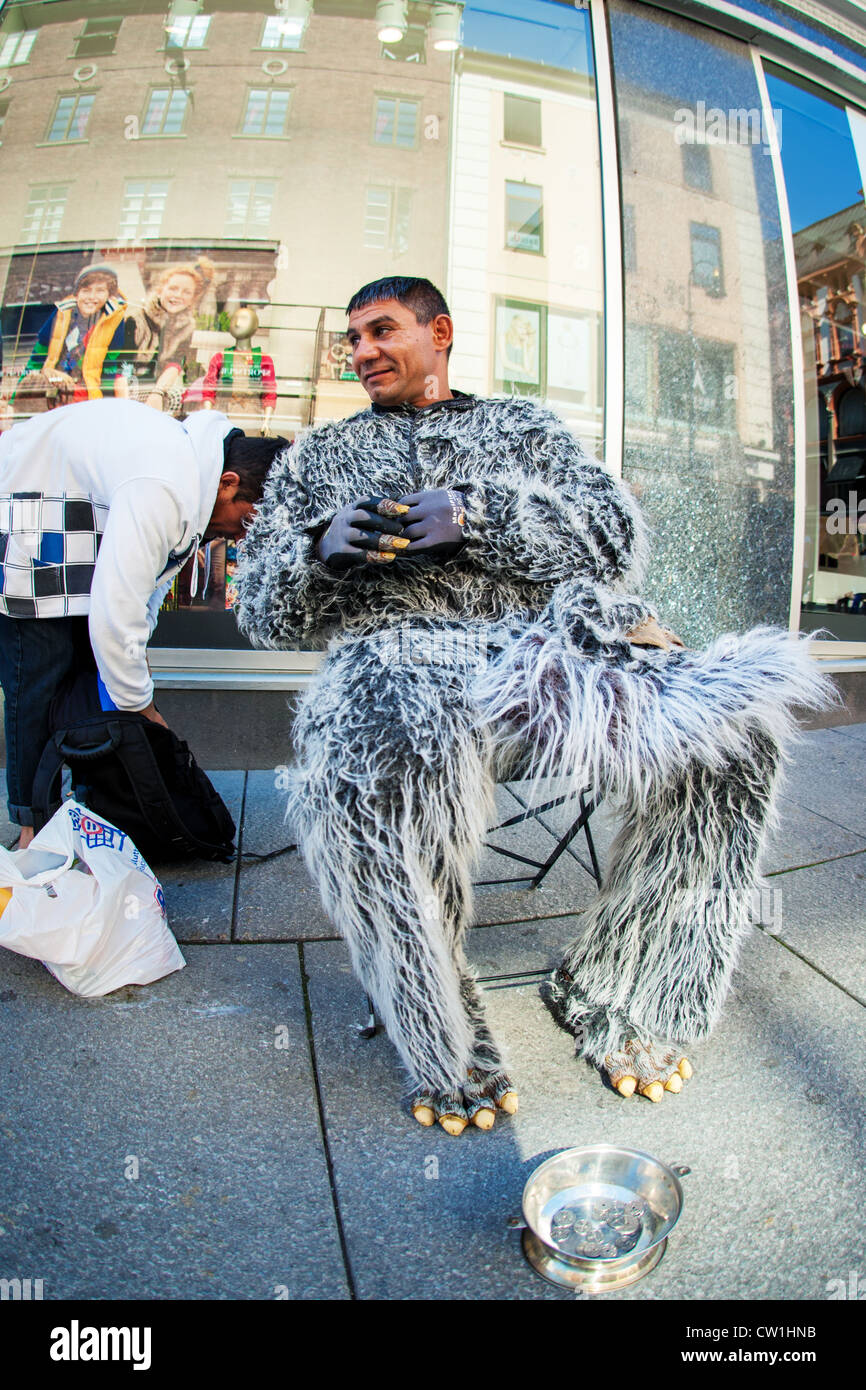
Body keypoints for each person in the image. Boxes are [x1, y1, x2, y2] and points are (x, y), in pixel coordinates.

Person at [235, 275, 832, 1137]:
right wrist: (319, 550)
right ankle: (440, 1027)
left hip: (542, 661)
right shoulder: (316, 460)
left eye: (382, 331)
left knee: (732, 737)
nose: (362, 352)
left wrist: (480, 515)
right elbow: (262, 610)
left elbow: (613, 541)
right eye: (353, 339)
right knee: (377, 741)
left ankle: (625, 988)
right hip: (396, 661)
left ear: (439, 331)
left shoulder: (522, 428)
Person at [0, 397, 286, 848]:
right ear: (228, 483)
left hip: (71, 514)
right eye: (248, 519)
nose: (244, 535)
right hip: (28, 512)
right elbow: (116, 612)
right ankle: (33, 829)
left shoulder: (195, 479)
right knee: (38, 677)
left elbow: (144, 594)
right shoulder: (166, 484)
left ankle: (81, 814)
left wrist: (133, 678)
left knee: (81, 680)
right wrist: (142, 707)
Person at [6, 263, 127, 414]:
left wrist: (106, 406)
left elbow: (110, 367)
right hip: (51, 392)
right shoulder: (61, 313)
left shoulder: (114, 320)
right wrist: (14, 401)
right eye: (86, 290)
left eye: (100, 291)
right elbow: (37, 358)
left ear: (110, 295)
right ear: (77, 293)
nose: (91, 297)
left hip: (86, 397)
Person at [116, 257, 214, 416]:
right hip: (128, 386)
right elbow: (122, 366)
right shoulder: (137, 319)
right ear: (161, 289)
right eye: (173, 288)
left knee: (176, 397)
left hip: (155, 387)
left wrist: (157, 392)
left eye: (186, 292)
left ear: (193, 298)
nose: (178, 295)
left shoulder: (186, 326)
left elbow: (175, 363)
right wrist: (124, 404)